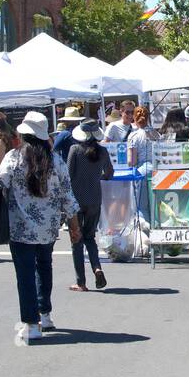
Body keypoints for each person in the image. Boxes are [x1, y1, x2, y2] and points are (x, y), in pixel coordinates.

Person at [0, 111, 81, 344]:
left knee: (24, 273)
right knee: (44, 266)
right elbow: (67, 194)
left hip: (20, 226)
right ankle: (45, 313)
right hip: (49, 226)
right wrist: (74, 226)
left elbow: (1, 182)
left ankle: (31, 324)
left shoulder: (14, 157)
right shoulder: (56, 160)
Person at [67, 119, 114, 291]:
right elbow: (109, 173)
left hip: (76, 201)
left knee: (76, 240)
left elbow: (68, 176)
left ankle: (81, 282)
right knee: (90, 237)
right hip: (95, 199)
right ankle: (97, 267)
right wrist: (97, 178)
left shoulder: (75, 150)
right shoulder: (103, 152)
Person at [127, 105, 158, 222]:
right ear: (148, 118)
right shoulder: (156, 134)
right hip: (158, 170)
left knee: (141, 205)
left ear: (135, 118)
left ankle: (144, 234)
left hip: (142, 171)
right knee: (156, 204)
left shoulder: (133, 136)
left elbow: (132, 161)